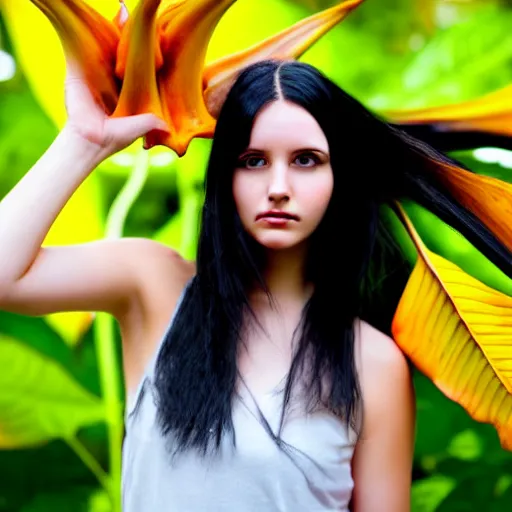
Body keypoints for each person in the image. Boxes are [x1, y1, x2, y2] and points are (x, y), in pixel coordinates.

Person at [2, 58, 503, 511]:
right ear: (226, 176)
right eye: (254, 160)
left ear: (339, 178)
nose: (278, 187)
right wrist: (85, 140)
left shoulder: (372, 362)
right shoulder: (152, 285)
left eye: (306, 159)